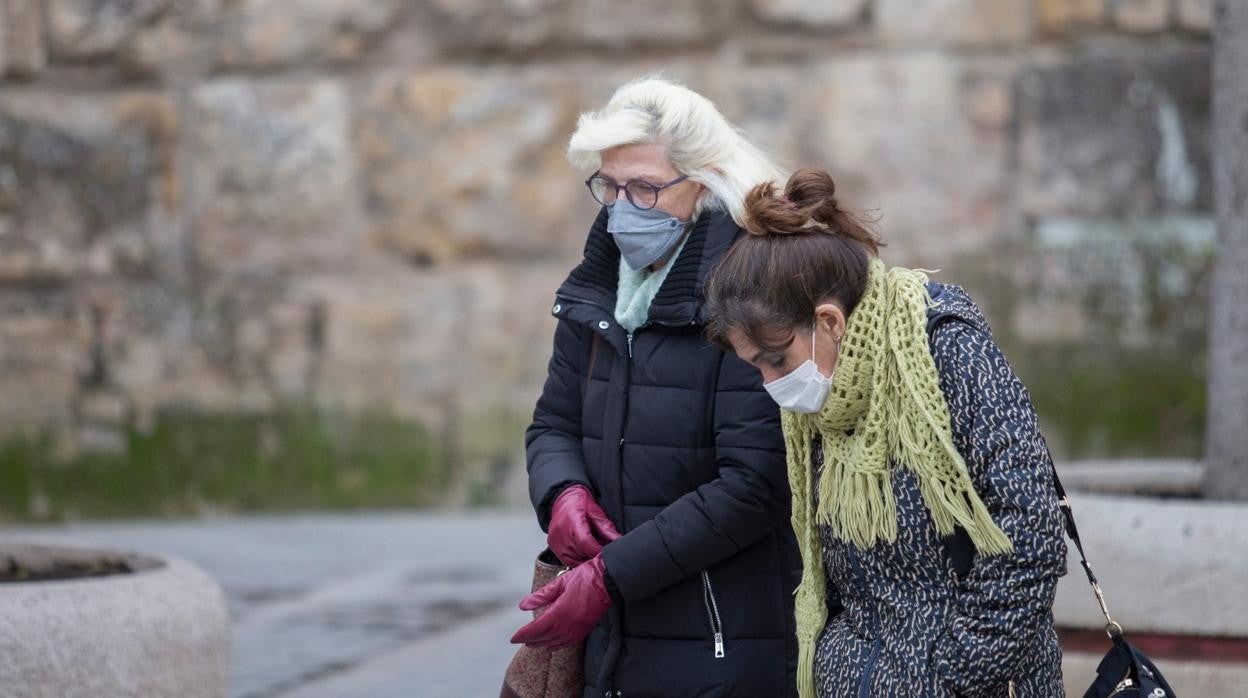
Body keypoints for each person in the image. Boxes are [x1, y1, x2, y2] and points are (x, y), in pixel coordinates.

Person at [703, 169, 1069, 697]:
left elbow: (1030, 536)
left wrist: (949, 678)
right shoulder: (829, 398)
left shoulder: (949, 351)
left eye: (776, 361)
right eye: (754, 368)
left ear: (830, 321)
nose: (769, 384)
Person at [510, 76, 802, 696]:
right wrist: (561, 492)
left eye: (645, 187)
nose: (622, 207)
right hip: (610, 643)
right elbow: (553, 422)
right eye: (609, 186)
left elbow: (756, 484)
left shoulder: (751, 289)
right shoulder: (597, 288)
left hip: (722, 641)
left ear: (704, 181)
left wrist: (609, 577)